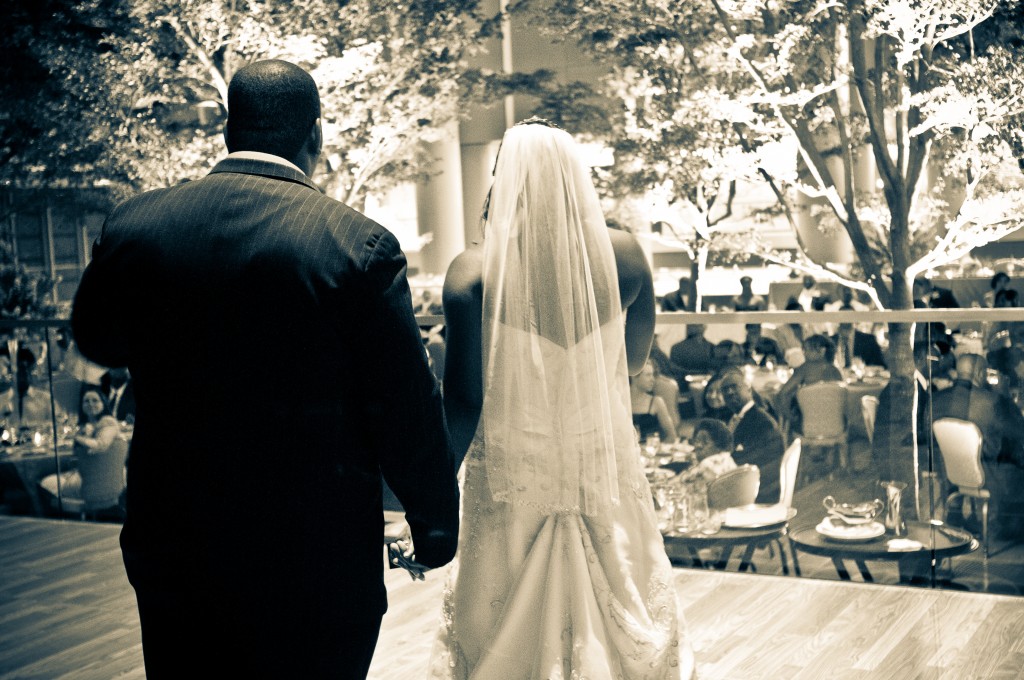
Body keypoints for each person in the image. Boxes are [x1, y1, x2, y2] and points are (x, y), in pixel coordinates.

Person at [70, 60, 460, 679]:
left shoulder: (136, 226)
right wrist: (434, 523)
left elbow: (97, 339)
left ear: (229, 131)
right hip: (315, 549)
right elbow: (404, 402)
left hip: (176, 535)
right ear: (316, 137)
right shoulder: (354, 245)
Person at [431, 120, 692, 678]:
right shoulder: (625, 256)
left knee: (497, 622)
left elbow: (464, 400)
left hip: (511, 472)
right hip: (597, 462)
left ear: (505, 179)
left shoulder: (472, 272)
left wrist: (428, 497)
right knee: (625, 596)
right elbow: (635, 361)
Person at [931, 353, 1024, 538]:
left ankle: (958, 515)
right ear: (981, 373)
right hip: (987, 477)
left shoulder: (936, 399)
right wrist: (1004, 396)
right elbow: (1019, 431)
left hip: (949, 473)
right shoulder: (993, 402)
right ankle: (1004, 527)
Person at [38, 385, 126, 515]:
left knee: (43, 483)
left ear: (104, 403)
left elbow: (99, 445)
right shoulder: (88, 426)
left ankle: (58, 522)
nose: (90, 404)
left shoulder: (108, 422)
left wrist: (77, 437)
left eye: (95, 400)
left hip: (97, 483)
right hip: (99, 477)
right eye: (86, 401)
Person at [717, 368, 785, 504]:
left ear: (748, 389)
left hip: (760, 492)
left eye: (734, 387)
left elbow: (757, 460)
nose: (729, 392)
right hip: (746, 481)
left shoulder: (761, 421)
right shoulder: (736, 418)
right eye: (725, 390)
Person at [774, 334, 843, 433]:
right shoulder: (836, 371)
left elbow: (783, 393)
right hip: (836, 427)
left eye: (808, 350)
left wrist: (790, 417)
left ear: (822, 351)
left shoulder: (805, 368)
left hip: (808, 427)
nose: (804, 354)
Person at [676, 417, 738, 487]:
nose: (698, 445)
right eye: (697, 440)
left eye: (705, 442)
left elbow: (677, 485)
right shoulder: (728, 460)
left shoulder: (707, 465)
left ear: (720, 446)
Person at [630, 360, 678, 443]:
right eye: (648, 375)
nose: (653, 379)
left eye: (653, 375)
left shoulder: (657, 402)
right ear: (634, 377)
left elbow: (672, 436)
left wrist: (656, 451)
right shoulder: (621, 402)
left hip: (651, 452)